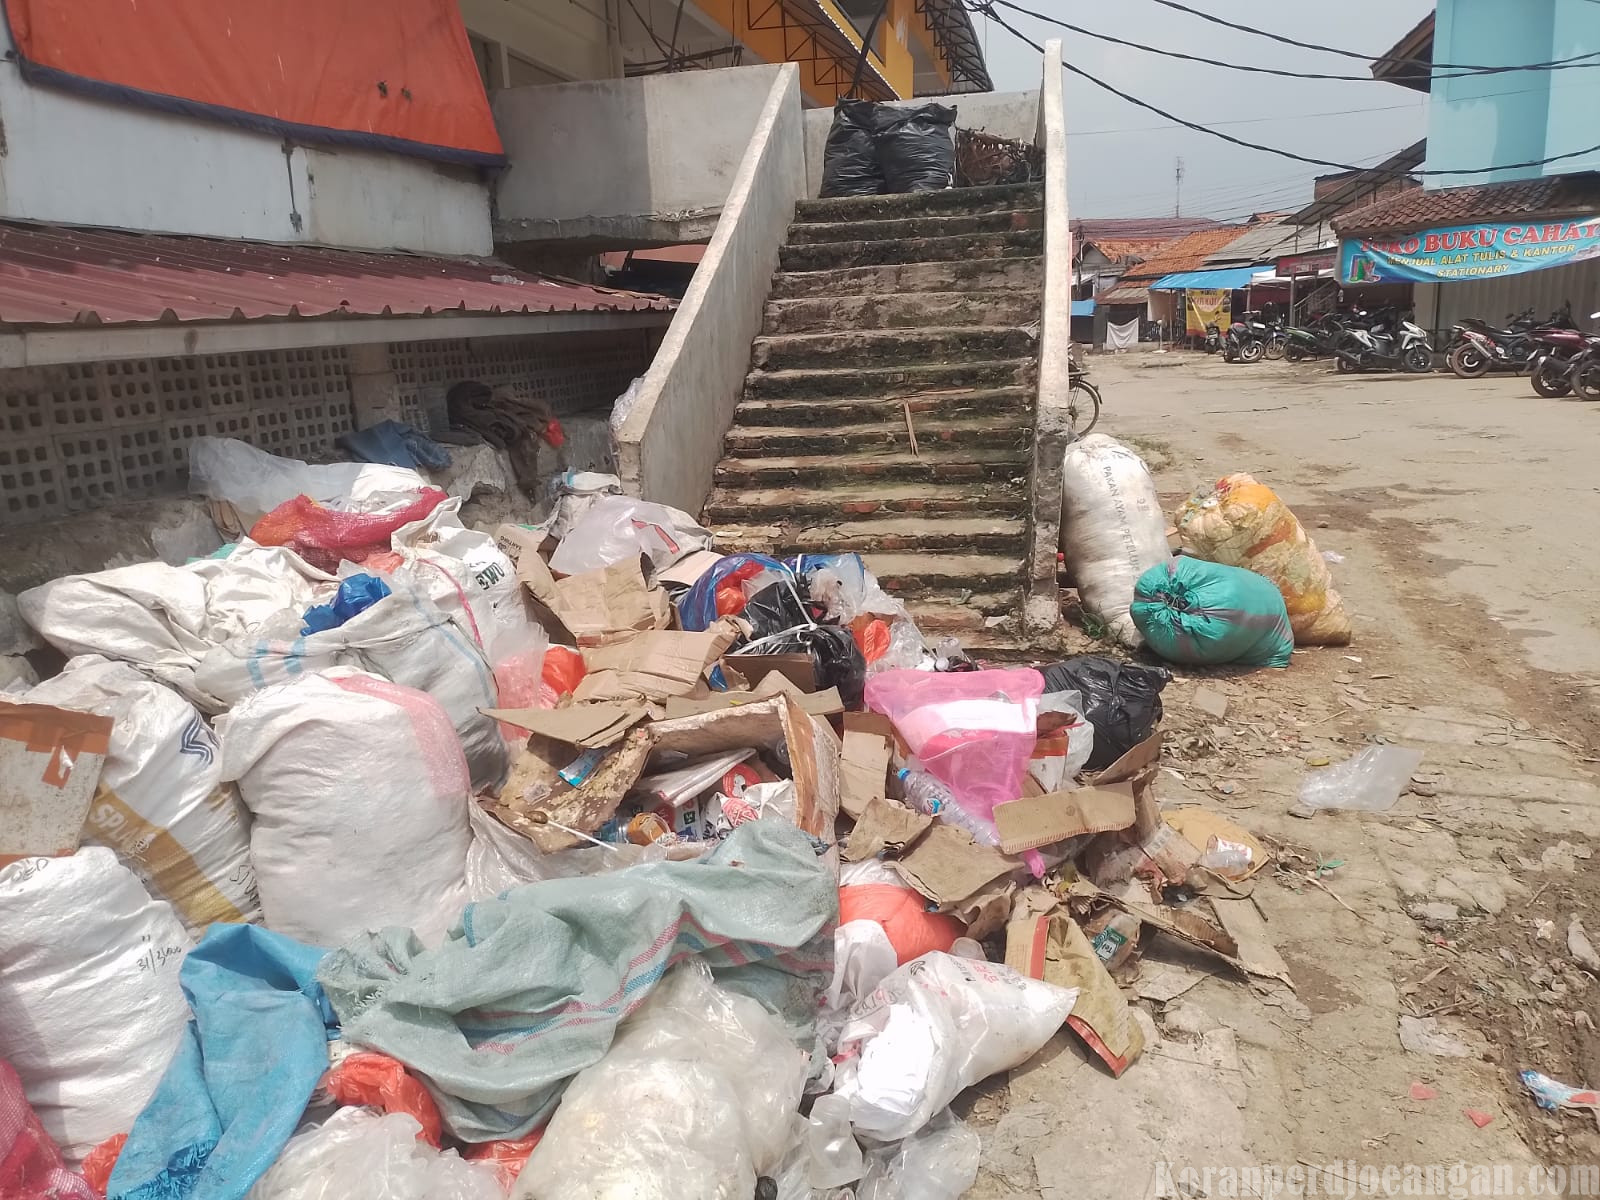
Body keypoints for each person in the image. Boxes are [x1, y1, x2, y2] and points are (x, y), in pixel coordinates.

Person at [445, 380, 562, 495]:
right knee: (515, 431)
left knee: (517, 430)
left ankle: (529, 484)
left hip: (486, 413)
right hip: (471, 412)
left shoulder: (493, 406)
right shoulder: (473, 411)